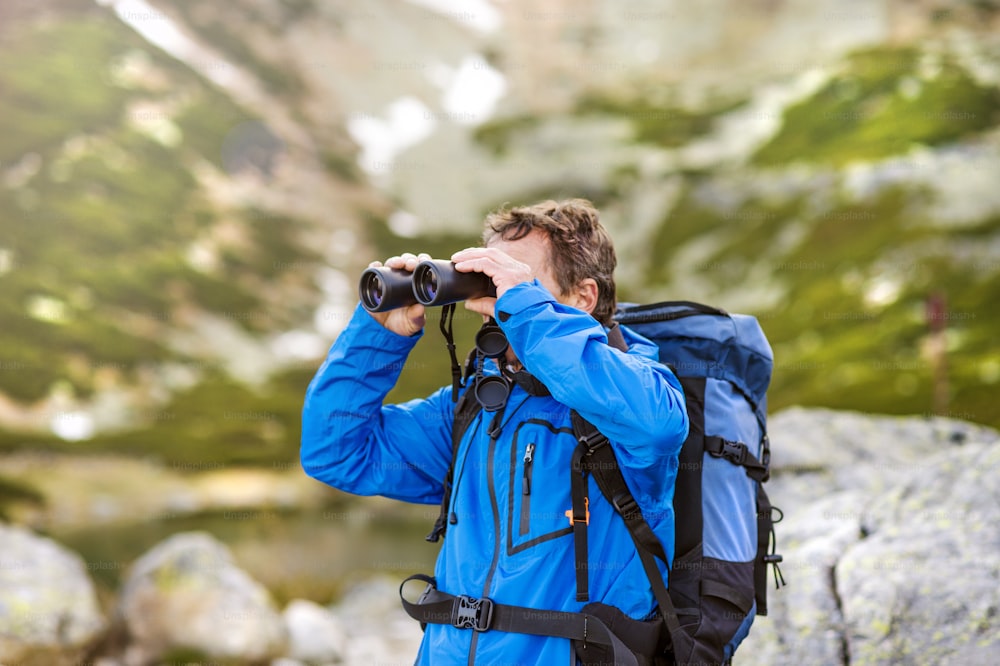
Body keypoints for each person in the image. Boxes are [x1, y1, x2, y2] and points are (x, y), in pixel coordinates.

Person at [301, 198, 689, 664]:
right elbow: (336, 452)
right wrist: (377, 335)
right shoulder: (474, 408)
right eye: (490, 276)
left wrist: (526, 307)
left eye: (514, 276)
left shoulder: (633, 394)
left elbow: (658, 426)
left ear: (583, 297)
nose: (498, 295)